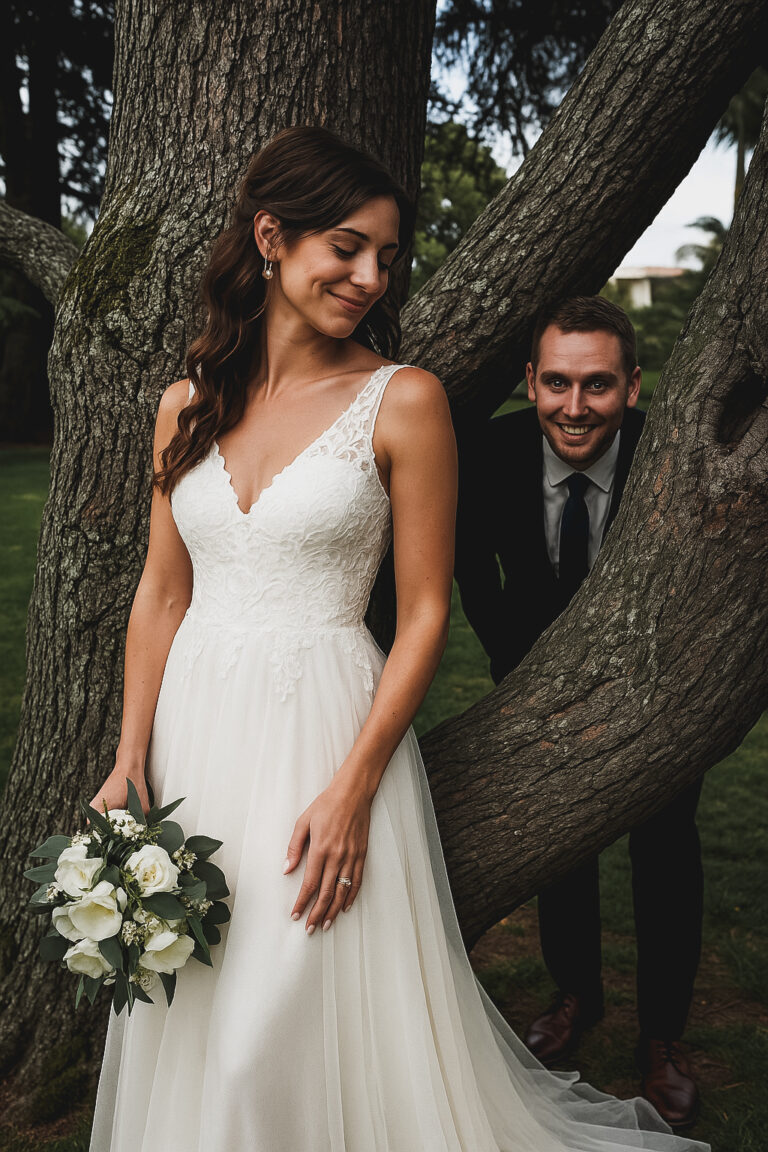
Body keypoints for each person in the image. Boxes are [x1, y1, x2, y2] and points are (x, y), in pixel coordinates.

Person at [87, 130, 708, 1151]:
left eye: (386, 257)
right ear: (271, 238)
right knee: (195, 989)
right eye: (347, 248)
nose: (371, 278)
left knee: (270, 1019)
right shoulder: (184, 406)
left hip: (324, 730)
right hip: (196, 730)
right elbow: (160, 595)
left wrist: (354, 785)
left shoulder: (403, 399)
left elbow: (423, 613)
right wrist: (127, 758)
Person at [454, 296, 703, 1132]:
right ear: (531, 381)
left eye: (597, 384)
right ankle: (575, 995)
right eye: (557, 382)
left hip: (660, 697)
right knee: (560, 848)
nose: (574, 405)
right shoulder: (488, 451)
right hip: (536, 693)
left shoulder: (669, 453)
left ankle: (663, 1036)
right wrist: (515, 671)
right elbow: (472, 571)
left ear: (632, 386)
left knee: (667, 854)